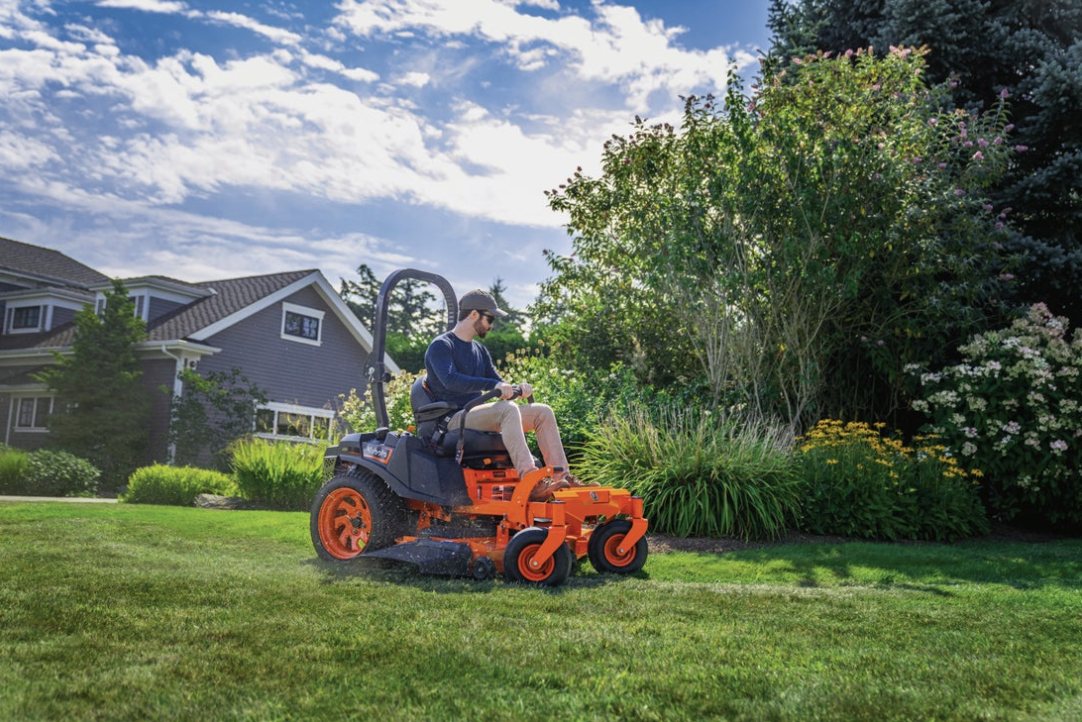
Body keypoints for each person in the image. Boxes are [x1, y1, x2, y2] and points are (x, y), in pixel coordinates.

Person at [424, 288, 596, 501]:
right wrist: (494, 385)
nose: (492, 324)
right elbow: (450, 380)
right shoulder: (441, 346)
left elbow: (499, 383)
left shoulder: (479, 351)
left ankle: (562, 478)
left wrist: (517, 389)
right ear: (475, 314)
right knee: (507, 411)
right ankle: (531, 482)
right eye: (490, 318)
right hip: (453, 418)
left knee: (542, 411)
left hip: (479, 413)